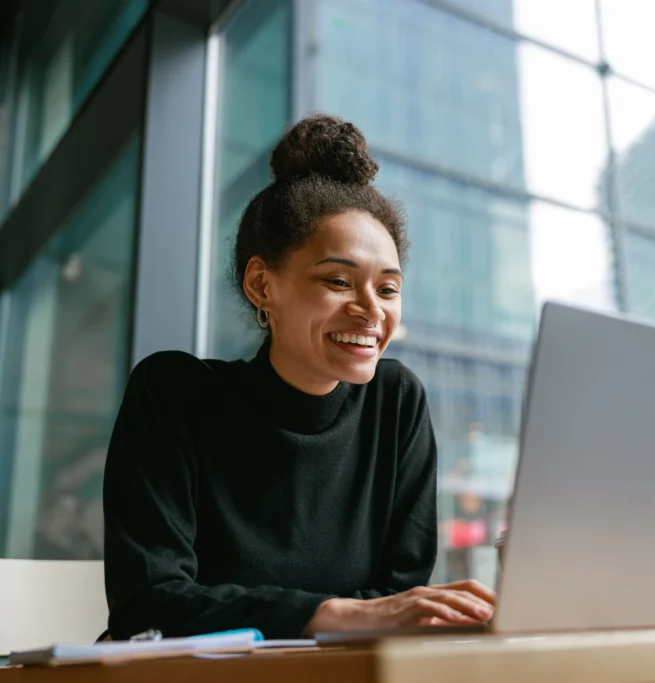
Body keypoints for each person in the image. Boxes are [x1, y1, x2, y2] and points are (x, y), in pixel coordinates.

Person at [102, 114, 495, 640]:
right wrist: (339, 614)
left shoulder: (396, 402)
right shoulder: (174, 394)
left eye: (387, 288)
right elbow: (148, 602)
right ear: (262, 285)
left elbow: (400, 601)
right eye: (338, 281)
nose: (371, 311)